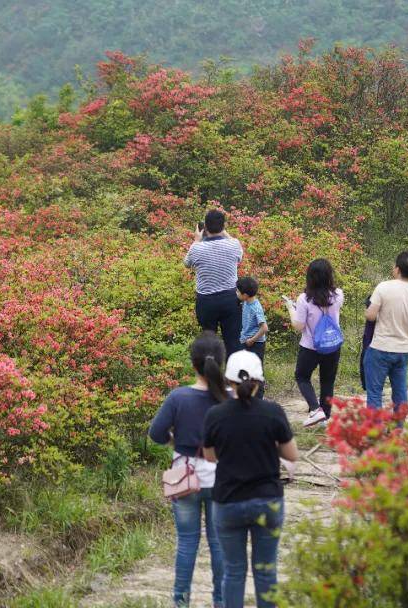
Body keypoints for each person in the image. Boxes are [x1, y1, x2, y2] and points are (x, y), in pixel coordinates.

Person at [203, 350, 298, 608]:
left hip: (228, 501)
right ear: (260, 381)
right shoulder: (273, 412)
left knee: (233, 571)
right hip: (267, 500)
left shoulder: (216, 415)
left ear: (229, 381)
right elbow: (291, 454)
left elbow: (210, 458)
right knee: (266, 571)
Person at [148, 332, 228, 608]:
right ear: (222, 362)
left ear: (193, 364)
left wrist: (175, 440)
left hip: (184, 476)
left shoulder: (178, 397)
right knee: (219, 544)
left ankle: (181, 602)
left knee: (186, 542)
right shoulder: (229, 399)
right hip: (221, 479)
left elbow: (156, 434)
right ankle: (221, 601)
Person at [363, 251, 408, 415]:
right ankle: (397, 431)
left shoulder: (383, 287)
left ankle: (375, 432)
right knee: (400, 395)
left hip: (380, 348)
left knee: (374, 394)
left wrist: (370, 309)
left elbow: (371, 315)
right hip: (403, 351)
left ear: (397, 269)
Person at [283, 259, 344, 427]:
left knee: (302, 376)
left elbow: (298, 325)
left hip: (311, 346)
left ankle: (316, 410)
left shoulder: (304, 299)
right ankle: (326, 416)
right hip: (332, 344)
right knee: (327, 380)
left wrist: (290, 308)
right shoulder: (338, 294)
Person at [185, 210, 245, 355]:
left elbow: (187, 263)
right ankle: (235, 375)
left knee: (209, 342)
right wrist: (225, 233)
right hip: (231, 299)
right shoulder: (234, 245)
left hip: (206, 301)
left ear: (204, 226)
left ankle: (211, 374)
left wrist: (196, 240)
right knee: (233, 342)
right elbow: (240, 257)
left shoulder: (197, 248)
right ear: (224, 225)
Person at [236, 276, 268, 398]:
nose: (236, 293)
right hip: (245, 341)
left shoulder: (255, 307)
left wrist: (252, 339)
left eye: (238, 291)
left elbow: (264, 328)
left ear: (245, 295)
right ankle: (248, 395)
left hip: (255, 344)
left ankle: (259, 398)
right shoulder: (246, 301)